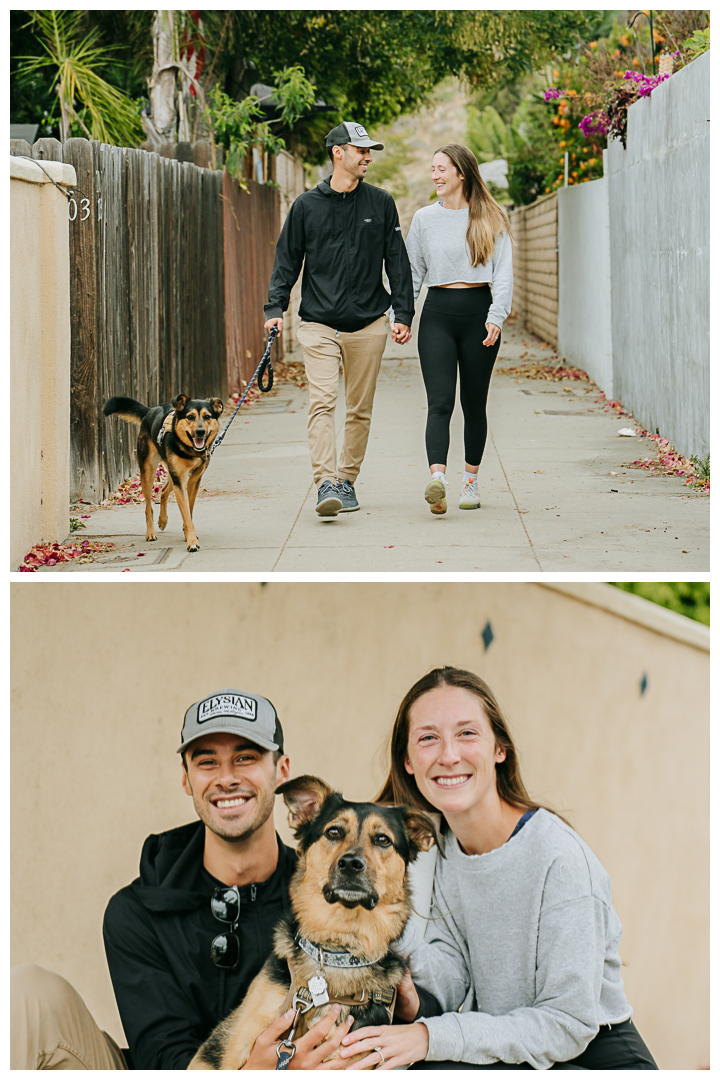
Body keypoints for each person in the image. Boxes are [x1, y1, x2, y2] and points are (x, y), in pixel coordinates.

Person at [11, 689, 353, 1070]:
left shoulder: (330, 900)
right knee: (29, 992)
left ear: (282, 770)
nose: (226, 778)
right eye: (207, 762)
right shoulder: (137, 911)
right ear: (187, 779)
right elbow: (162, 1058)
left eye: (245, 758)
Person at [339, 666, 658, 1070]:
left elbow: (569, 1023)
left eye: (467, 733)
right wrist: (392, 941)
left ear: (499, 749)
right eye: (428, 739)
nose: (449, 755)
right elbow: (455, 972)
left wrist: (428, 1036)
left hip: (593, 1059)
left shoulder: (560, 860)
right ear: (407, 761)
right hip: (509, 1049)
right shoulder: (442, 847)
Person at [264, 121, 415, 517]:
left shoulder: (381, 203)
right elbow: (286, 262)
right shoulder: (305, 207)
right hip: (318, 324)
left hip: (368, 324)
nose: (368, 157)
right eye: (361, 150)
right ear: (338, 153)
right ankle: (325, 482)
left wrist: (403, 313)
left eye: (369, 151)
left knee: (359, 409)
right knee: (322, 402)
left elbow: (397, 261)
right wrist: (274, 309)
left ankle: (347, 481)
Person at [405, 145, 513, 515]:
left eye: (441, 169)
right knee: (439, 404)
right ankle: (438, 480)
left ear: (461, 173)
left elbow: (503, 273)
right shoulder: (423, 219)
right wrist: (400, 316)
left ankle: (471, 481)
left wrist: (496, 316)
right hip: (436, 314)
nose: (435, 175)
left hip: (478, 315)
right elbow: (413, 273)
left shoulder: (491, 217)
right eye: (432, 168)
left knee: (473, 404)